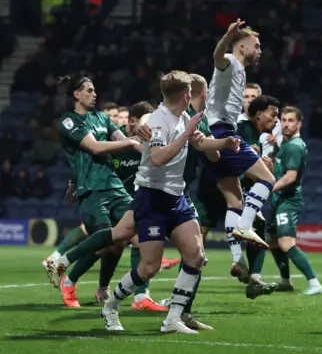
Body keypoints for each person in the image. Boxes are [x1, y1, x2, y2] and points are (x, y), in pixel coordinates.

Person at [101, 70, 239, 333]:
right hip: (152, 198)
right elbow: (157, 158)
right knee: (148, 267)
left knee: (195, 255)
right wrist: (186, 133)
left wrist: (225, 142)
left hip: (177, 197)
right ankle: (111, 306)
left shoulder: (182, 116)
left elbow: (200, 143)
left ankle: (173, 319)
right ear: (186, 95)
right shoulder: (158, 121)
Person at [54, 74, 141, 307]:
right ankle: (69, 278)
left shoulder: (102, 118)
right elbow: (94, 147)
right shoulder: (68, 121)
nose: (95, 94)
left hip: (114, 186)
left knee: (124, 236)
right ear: (76, 94)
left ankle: (102, 289)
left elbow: (122, 141)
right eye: (90, 90)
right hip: (91, 189)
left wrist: (155, 147)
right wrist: (132, 142)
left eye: (95, 90)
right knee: (105, 242)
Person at [204, 19, 274, 249]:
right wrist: (227, 37)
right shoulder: (231, 63)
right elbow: (217, 57)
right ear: (242, 46)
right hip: (221, 131)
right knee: (267, 178)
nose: (260, 50)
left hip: (215, 134)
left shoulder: (240, 71)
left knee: (235, 199)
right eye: (257, 45)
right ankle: (245, 225)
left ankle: (237, 260)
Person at [114, 100, 178, 311]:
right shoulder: (117, 146)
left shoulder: (146, 145)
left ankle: (137, 296)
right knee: (109, 244)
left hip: (136, 201)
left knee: (129, 243)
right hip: (116, 202)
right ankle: (65, 264)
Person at [265, 106, 322, 295]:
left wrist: (268, 188)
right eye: (284, 120)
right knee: (273, 242)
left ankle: (314, 283)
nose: (286, 124)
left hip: (288, 201)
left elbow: (290, 177)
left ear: (299, 124)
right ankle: (285, 281)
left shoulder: (294, 146)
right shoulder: (285, 145)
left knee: (286, 243)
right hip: (278, 200)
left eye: (291, 121)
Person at [237, 95, 281, 298]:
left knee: (259, 225)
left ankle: (253, 277)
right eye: (273, 114)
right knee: (196, 242)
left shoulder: (263, 136)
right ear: (258, 114)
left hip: (242, 189)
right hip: (218, 188)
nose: (276, 120)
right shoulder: (240, 127)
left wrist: (264, 164)